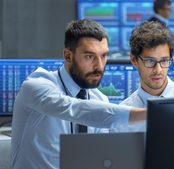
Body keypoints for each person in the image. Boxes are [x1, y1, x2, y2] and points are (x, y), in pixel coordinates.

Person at [11, 19, 146, 169]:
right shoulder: (37, 86)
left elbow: (100, 158)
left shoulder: (99, 98)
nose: (99, 66)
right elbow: (76, 109)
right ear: (68, 56)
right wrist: (147, 114)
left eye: (103, 56)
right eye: (89, 56)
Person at [115, 21, 174, 132]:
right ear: (134, 60)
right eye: (149, 61)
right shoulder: (123, 116)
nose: (158, 70)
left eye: (164, 60)